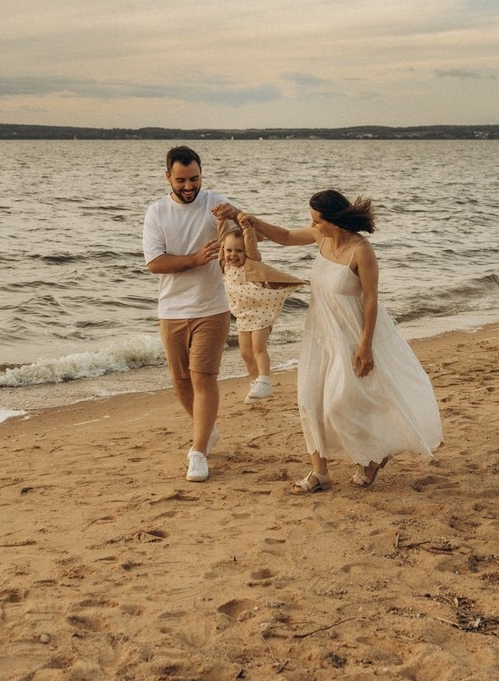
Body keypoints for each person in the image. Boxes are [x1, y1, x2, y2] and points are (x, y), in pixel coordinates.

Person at [217, 190, 442, 494]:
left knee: (339, 404)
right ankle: (320, 473)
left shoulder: (361, 250)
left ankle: (372, 457)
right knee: (309, 400)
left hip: (351, 334)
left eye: (315, 220)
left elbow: (372, 299)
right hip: (319, 332)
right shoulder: (321, 237)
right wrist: (247, 218)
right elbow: (282, 235)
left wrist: (365, 345)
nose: (312, 224)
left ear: (334, 221)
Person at [142, 146, 231, 482]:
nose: (189, 185)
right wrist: (194, 259)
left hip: (212, 306)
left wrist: (234, 233)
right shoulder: (156, 212)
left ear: (201, 174)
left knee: (203, 377)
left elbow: (238, 237)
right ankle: (205, 429)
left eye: (194, 178)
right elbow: (154, 263)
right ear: (168, 177)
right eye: (181, 180)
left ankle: (198, 452)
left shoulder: (215, 203)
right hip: (172, 308)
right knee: (180, 380)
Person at [216, 213, 305, 404]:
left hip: (261, 311)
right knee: (245, 352)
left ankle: (265, 381)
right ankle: (254, 382)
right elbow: (222, 238)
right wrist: (221, 220)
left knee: (258, 348)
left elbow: (251, 248)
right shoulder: (224, 264)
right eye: (229, 250)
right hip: (242, 314)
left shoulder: (251, 264)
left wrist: (248, 229)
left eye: (239, 251)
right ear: (223, 251)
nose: (234, 255)